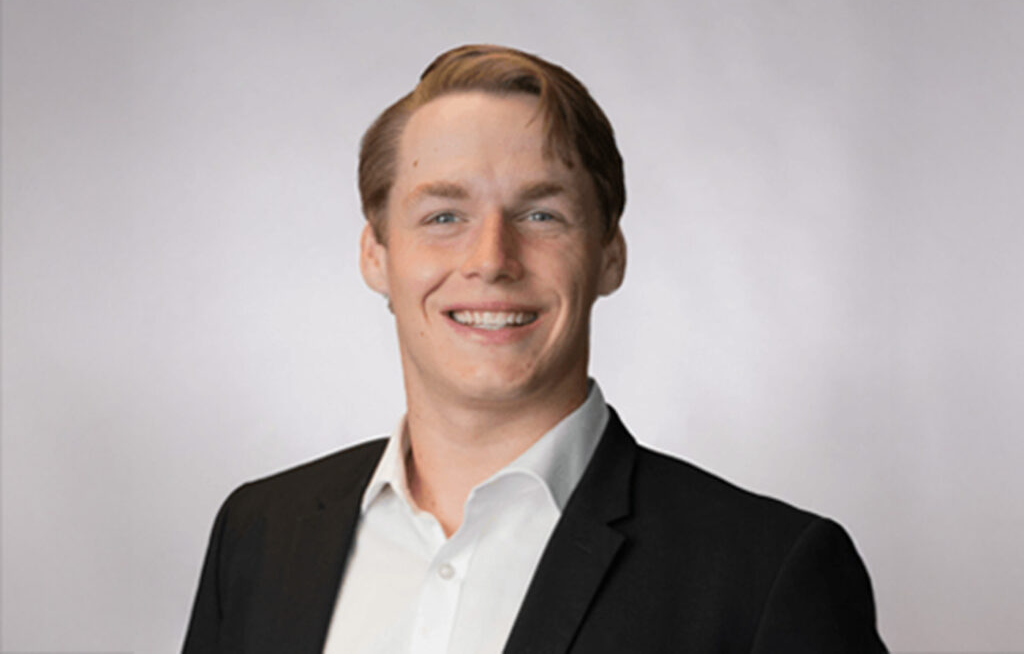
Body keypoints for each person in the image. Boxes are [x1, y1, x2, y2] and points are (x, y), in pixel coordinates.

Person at [183, 44, 887, 653]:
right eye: (444, 214)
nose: (492, 258)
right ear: (376, 255)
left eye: (541, 214)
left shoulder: (766, 572)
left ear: (609, 255)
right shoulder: (257, 534)